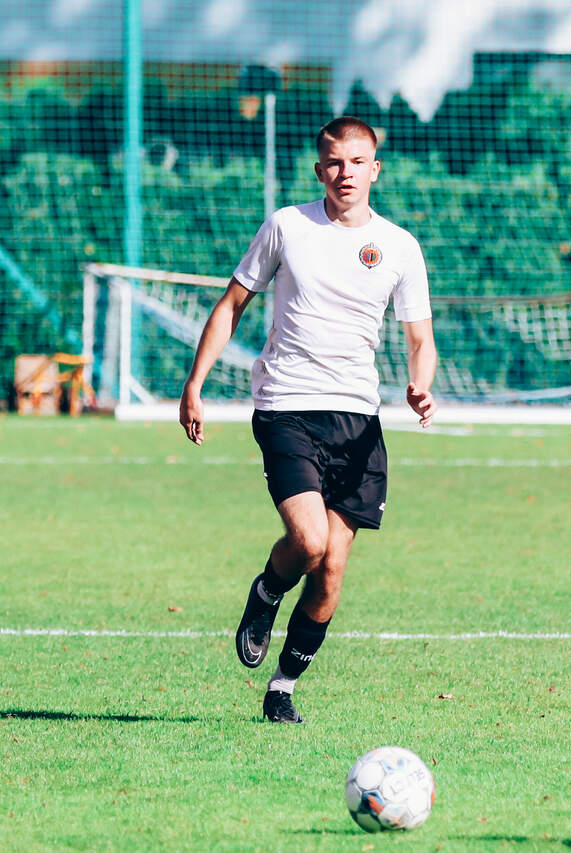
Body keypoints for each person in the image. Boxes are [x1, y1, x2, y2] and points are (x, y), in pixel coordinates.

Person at [179, 116, 437, 724]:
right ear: (319, 169)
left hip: (358, 421)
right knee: (310, 541)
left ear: (375, 170)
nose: (346, 172)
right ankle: (267, 590)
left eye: (357, 162)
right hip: (287, 406)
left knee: (331, 571)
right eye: (334, 162)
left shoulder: (399, 246)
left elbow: (420, 338)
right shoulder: (287, 226)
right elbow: (232, 304)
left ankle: (283, 688)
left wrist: (421, 384)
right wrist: (195, 383)